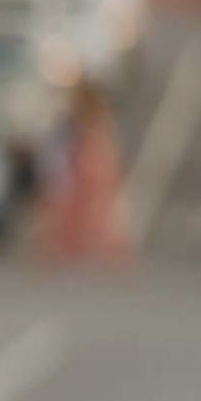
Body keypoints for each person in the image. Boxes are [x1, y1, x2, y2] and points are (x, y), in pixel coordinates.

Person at [32, 79, 132, 265]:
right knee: (74, 218)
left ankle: (82, 250)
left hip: (87, 180)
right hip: (81, 180)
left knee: (91, 217)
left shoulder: (92, 127)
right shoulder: (75, 126)